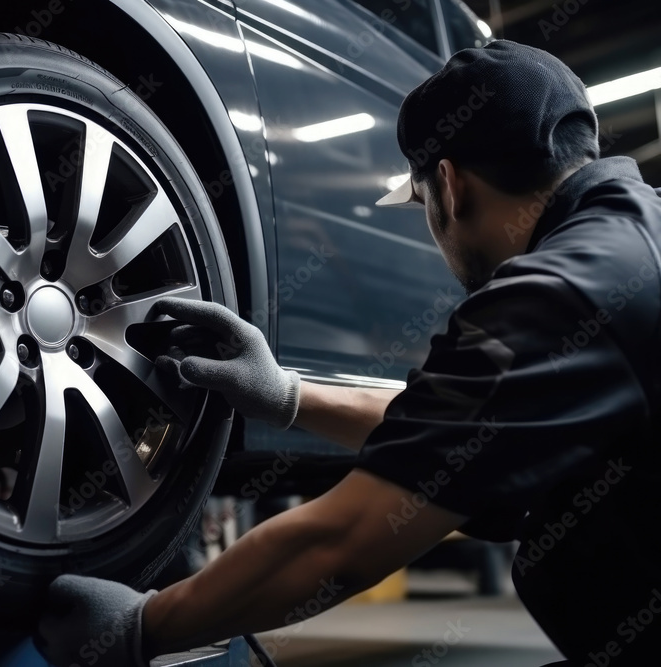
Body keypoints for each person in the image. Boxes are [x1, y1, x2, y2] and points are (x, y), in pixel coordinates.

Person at [35, 40, 661, 666]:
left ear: (448, 185)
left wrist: (146, 625)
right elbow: (460, 422)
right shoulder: (624, 248)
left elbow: (343, 540)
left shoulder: (556, 297)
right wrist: (289, 397)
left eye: (422, 206)